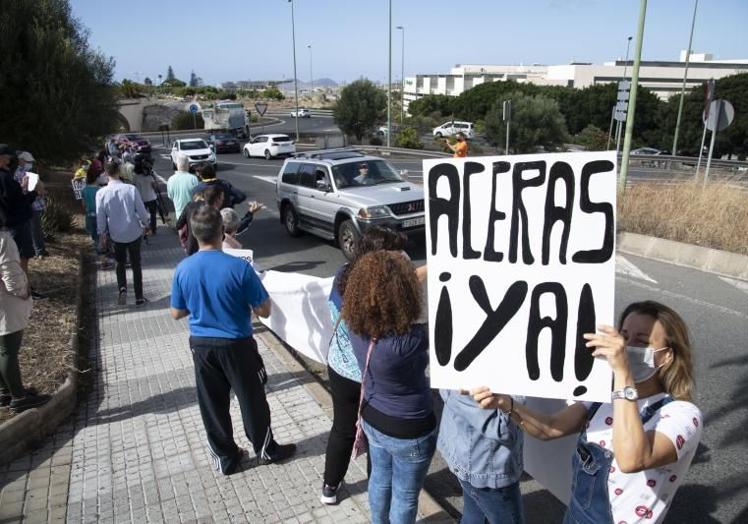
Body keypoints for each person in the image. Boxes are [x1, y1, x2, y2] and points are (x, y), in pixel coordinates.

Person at [471, 300, 702, 524]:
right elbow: (550, 428)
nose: (627, 347)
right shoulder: (603, 398)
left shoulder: (683, 414)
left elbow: (632, 460)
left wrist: (622, 372)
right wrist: (507, 404)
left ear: (667, 355)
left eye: (642, 342)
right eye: (623, 337)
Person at [170, 204, 296, 474]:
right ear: (221, 231)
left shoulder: (183, 268)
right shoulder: (238, 267)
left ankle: (226, 458)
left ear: (194, 232)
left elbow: (176, 312)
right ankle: (265, 449)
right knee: (252, 399)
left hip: (202, 345)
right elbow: (264, 309)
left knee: (212, 404)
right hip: (237, 343)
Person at [343, 251, 435, 524]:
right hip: (410, 429)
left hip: (373, 418)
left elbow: (380, 290)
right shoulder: (409, 341)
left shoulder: (353, 324)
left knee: (380, 480)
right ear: (403, 293)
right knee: (406, 496)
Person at [320, 226, 410, 506]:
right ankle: (377, 493)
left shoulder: (344, 275)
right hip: (370, 374)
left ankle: (329, 488)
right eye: (396, 254)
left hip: (339, 366)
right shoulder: (384, 295)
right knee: (376, 436)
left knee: (342, 428)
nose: (403, 258)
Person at [438, 388, 525, 524]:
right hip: (487, 465)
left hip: (469, 455)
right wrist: (516, 397)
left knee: (475, 516)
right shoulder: (474, 378)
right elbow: (503, 428)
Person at [0, 230, 50, 413]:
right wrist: (24, 291)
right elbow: (10, 274)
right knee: (8, 351)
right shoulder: (3, 240)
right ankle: (18, 397)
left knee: (1, 349)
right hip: (5, 302)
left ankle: (6, 391)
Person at [96, 161, 150, 305]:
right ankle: (139, 296)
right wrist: (146, 224)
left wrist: (101, 233)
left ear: (106, 174)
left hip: (115, 234)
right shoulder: (131, 189)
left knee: (119, 263)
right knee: (136, 264)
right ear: (119, 171)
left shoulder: (101, 193)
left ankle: (122, 289)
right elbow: (141, 210)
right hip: (133, 232)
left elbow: (100, 216)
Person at [0, 145, 44, 300]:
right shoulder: (5, 177)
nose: (9, 160)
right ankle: (24, 289)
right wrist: (32, 191)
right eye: (7, 157)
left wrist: (22, 189)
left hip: (8, 223)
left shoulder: (6, 176)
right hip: (16, 223)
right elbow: (17, 202)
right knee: (21, 257)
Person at [16, 152, 48, 258]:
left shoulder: (28, 173)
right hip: (30, 205)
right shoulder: (18, 173)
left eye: (30, 162)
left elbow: (40, 187)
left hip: (35, 204)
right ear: (20, 160)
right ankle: (39, 250)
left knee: (36, 228)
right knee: (34, 229)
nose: (29, 164)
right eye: (27, 161)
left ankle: (39, 249)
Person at [176, 187, 223, 256]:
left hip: (191, 245)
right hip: (210, 247)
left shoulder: (189, 206)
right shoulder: (212, 209)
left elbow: (178, 225)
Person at [133, 156, 166, 236]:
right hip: (151, 198)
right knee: (153, 215)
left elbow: (134, 187)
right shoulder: (150, 177)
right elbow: (156, 187)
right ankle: (153, 230)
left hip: (141, 199)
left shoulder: (136, 177)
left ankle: (144, 230)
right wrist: (154, 179)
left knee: (142, 215)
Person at [167, 154, 198, 222]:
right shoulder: (193, 179)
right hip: (192, 214)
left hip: (179, 214)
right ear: (188, 165)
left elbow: (170, 197)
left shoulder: (170, 179)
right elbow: (197, 197)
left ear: (177, 165)